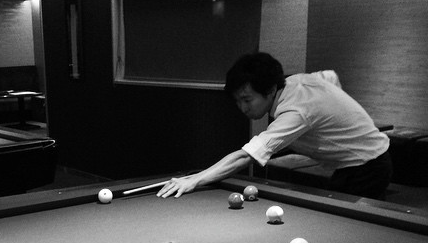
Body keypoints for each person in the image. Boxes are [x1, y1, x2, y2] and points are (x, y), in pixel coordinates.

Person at [157, 52, 393, 200]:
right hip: (357, 163)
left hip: (367, 167)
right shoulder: (295, 81)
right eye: (237, 101)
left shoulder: (295, 111)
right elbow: (330, 76)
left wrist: (195, 179)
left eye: (247, 99)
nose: (242, 108)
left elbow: (245, 157)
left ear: (270, 90)